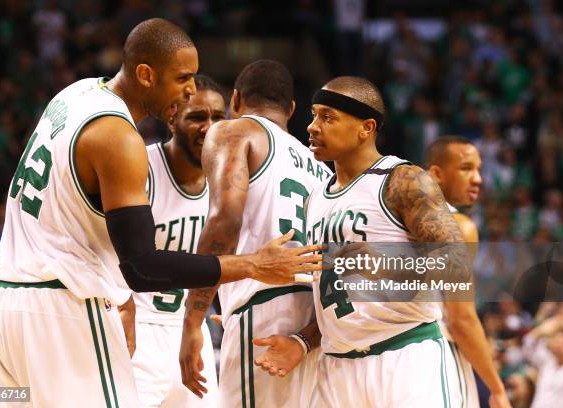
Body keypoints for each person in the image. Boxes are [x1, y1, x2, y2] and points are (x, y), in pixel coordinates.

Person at [0, 19, 322, 407]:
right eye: (182, 78)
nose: (191, 89)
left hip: (2, 306)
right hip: (64, 311)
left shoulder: (75, 95)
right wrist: (252, 265)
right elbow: (141, 268)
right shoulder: (120, 139)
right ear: (145, 74)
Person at [253, 76, 468, 407]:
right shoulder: (316, 200)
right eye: (313, 115)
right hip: (337, 368)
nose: (312, 126)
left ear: (366, 128)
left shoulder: (402, 180)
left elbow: (455, 265)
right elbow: (335, 297)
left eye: (327, 117)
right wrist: (301, 340)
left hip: (406, 357)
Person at [180, 59, 332, 408]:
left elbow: (224, 223)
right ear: (292, 110)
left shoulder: (235, 131)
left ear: (234, 100)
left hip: (265, 313)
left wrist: (192, 321)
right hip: (315, 324)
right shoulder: (323, 171)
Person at [131, 74, 225, 407]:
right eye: (198, 117)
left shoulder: (224, 183)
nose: (209, 127)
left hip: (189, 331)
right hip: (135, 332)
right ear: (172, 119)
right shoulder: (141, 167)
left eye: (218, 117)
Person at [426, 136, 511, 408]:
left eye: (479, 169)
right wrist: (496, 388)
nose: (478, 179)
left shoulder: (393, 218)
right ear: (436, 174)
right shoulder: (458, 226)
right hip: (435, 355)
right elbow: (461, 320)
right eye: (466, 168)